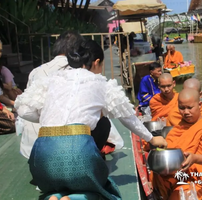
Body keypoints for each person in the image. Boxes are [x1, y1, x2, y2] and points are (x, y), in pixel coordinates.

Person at [14, 39, 167, 200]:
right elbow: (127, 116)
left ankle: (55, 196)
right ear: (96, 62)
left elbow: (23, 109)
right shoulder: (100, 82)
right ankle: (73, 199)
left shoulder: (52, 79)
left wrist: (47, 117)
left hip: (42, 155)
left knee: (52, 186)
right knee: (103, 192)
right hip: (79, 154)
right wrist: (151, 138)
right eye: (101, 66)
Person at [18, 31, 83, 159]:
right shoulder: (78, 72)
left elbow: (25, 110)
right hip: (58, 149)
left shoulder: (36, 71)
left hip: (29, 147)